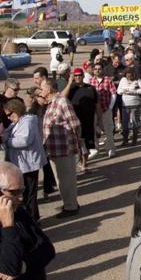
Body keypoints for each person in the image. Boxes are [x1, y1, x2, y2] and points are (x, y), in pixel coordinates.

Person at [40, 79, 82, 219]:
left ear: (49, 89)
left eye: (42, 88)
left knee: (66, 179)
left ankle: (71, 207)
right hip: (54, 149)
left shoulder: (62, 101)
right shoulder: (51, 102)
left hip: (64, 148)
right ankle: (69, 203)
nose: (41, 91)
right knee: (61, 180)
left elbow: (75, 123)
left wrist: (77, 140)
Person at [4, 97, 47, 222]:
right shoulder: (16, 122)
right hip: (22, 165)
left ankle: (34, 219)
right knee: (24, 193)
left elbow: (24, 140)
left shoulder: (28, 121)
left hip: (29, 165)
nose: (8, 118)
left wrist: (7, 141)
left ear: (16, 110)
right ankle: (30, 218)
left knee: (30, 194)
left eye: (9, 114)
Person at [65, 68, 98, 169]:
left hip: (89, 121)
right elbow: (62, 97)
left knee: (87, 144)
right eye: (75, 75)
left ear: (83, 76)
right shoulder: (71, 89)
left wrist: (99, 120)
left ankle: (84, 163)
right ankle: (81, 161)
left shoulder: (91, 88)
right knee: (78, 144)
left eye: (79, 75)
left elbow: (97, 105)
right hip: (75, 122)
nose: (78, 77)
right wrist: (69, 83)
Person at [87, 62, 117, 158]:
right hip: (94, 111)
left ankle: (110, 149)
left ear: (102, 70)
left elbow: (113, 94)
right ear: (93, 70)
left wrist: (110, 107)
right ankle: (95, 150)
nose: (97, 71)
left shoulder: (108, 80)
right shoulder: (90, 81)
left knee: (108, 130)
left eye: (99, 69)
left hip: (105, 109)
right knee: (93, 130)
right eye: (95, 69)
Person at [117, 67, 141, 146]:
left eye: (130, 74)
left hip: (135, 104)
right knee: (125, 123)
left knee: (134, 122)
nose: (129, 76)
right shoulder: (123, 80)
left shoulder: (137, 80)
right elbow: (118, 91)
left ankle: (134, 139)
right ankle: (125, 139)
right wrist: (125, 91)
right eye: (127, 74)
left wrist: (134, 92)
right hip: (125, 104)